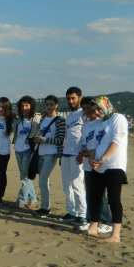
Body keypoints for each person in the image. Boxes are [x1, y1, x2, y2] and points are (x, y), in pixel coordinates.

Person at [86, 96, 129, 243]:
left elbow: (116, 141)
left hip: (114, 165)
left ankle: (115, 235)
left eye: (98, 108)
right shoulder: (98, 123)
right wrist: (92, 159)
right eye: (93, 110)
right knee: (96, 197)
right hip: (98, 166)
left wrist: (102, 159)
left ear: (106, 105)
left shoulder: (118, 118)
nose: (97, 112)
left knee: (113, 199)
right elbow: (92, 144)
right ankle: (93, 228)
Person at [77, 97, 112, 233]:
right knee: (90, 193)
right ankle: (91, 219)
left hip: (99, 163)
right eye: (84, 109)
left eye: (89, 109)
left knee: (100, 194)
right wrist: (83, 152)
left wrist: (94, 156)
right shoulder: (85, 125)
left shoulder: (101, 123)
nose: (87, 112)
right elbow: (85, 142)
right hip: (88, 163)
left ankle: (107, 220)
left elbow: (100, 143)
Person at [32, 95, 66, 218]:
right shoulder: (43, 119)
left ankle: (45, 208)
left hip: (51, 154)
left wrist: (43, 139)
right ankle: (45, 207)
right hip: (40, 153)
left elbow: (60, 139)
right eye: (47, 104)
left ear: (56, 105)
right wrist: (38, 140)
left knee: (42, 181)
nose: (49, 106)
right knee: (43, 181)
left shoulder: (60, 120)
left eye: (52, 104)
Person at [60, 87, 87, 225]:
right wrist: (62, 155)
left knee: (77, 185)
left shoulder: (84, 113)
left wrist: (83, 152)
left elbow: (87, 135)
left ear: (79, 98)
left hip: (77, 154)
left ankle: (82, 214)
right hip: (66, 153)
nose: (70, 101)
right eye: (68, 99)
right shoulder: (69, 116)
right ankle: (71, 211)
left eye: (73, 98)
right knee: (66, 185)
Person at [11, 96, 41, 208]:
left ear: (31, 106)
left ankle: (21, 200)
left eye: (27, 105)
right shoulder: (19, 119)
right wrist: (13, 119)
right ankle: (32, 199)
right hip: (18, 149)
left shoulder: (37, 118)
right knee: (25, 176)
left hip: (28, 150)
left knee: (25, 177)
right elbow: (15, 131)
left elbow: (42, 128)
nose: (24, 108)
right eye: (22, 106)